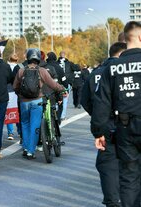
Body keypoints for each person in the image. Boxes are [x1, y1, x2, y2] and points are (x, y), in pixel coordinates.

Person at [91, 21, 141, 207]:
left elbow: (101, 103)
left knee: (129, 177)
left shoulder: (112, 68)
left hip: (125, 129)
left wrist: (99, 132)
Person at [82, 42, 127, 207]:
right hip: (129, 124)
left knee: (107, 163)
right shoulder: (128, 70)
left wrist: (98, 120)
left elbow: (85, 100)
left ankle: (113, 200)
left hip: (106, 125)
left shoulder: (96, 73)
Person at [13, 49, 65, 160]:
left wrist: (21, 95)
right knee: (35, 126)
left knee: (25, 124)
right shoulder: (41, 70)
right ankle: (31, 152)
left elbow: (15, 87)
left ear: (27, 58)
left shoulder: (21, 71)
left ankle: (26, 148)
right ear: (38, 58)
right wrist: (62, 88)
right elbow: (53, 84)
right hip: (37, 101)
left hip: (24, 102)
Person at [6, 53, 19, 140]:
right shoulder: (19, 67)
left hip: (8, 90)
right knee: (17, 111)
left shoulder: (6, 67)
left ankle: (10, 133)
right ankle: (19, 131)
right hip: (17, 91)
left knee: (9, 111)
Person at [57, 51, 73, 120]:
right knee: (65, 100)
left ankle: (57, 115)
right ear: (65, 55)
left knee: (57, 99)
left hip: (58, 83)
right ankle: (63, 116)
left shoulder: (56, 63)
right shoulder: (69, 63)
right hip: (66, 83)